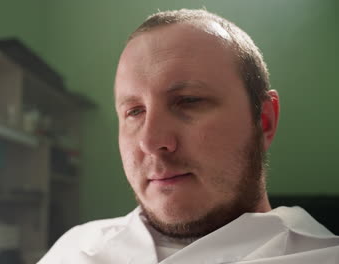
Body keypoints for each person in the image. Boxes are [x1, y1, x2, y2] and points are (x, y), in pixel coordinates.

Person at [38, 9, 339, 264]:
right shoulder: (73, 248)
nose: (151, 141)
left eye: (189, 100)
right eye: (134, 111)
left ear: (264, 121)